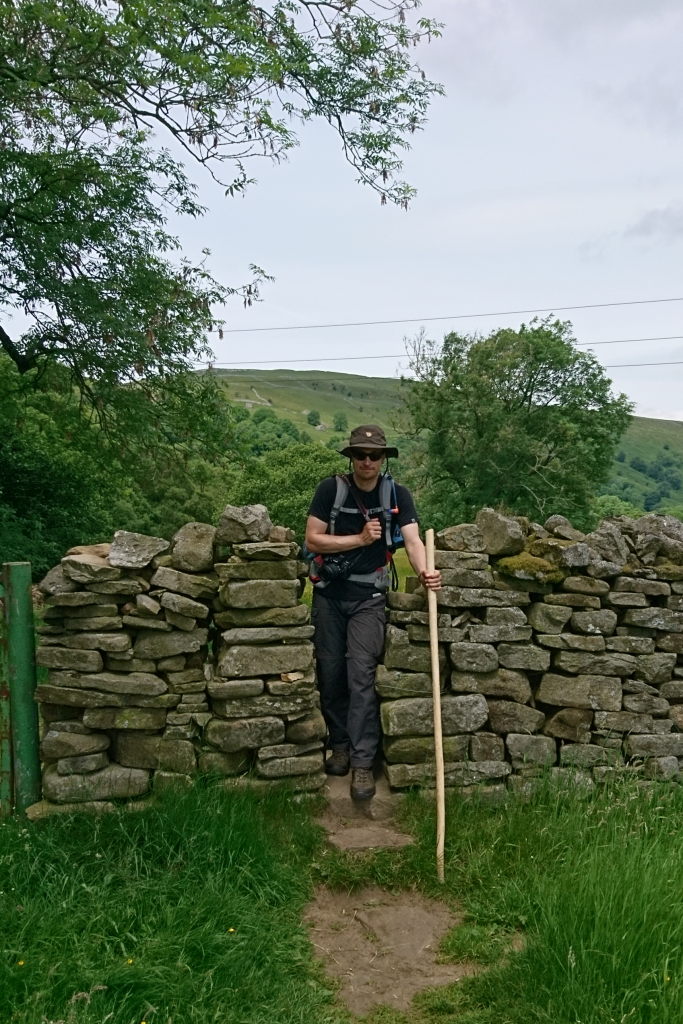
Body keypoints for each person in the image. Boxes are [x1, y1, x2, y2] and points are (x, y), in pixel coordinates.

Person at [305, 424, 441, 800]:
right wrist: (360, 539)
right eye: (360, 455)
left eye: (374, 456)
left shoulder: (397, 494)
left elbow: (412, 539)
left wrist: (425, 570)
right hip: (329, 594)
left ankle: (363, 763)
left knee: (361, 673)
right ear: (351, 458)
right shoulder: (330, 489)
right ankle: (340, 746)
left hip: (369, 596)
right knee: (330, 672)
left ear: (384, 459)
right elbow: (312, 538)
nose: (367, 461)